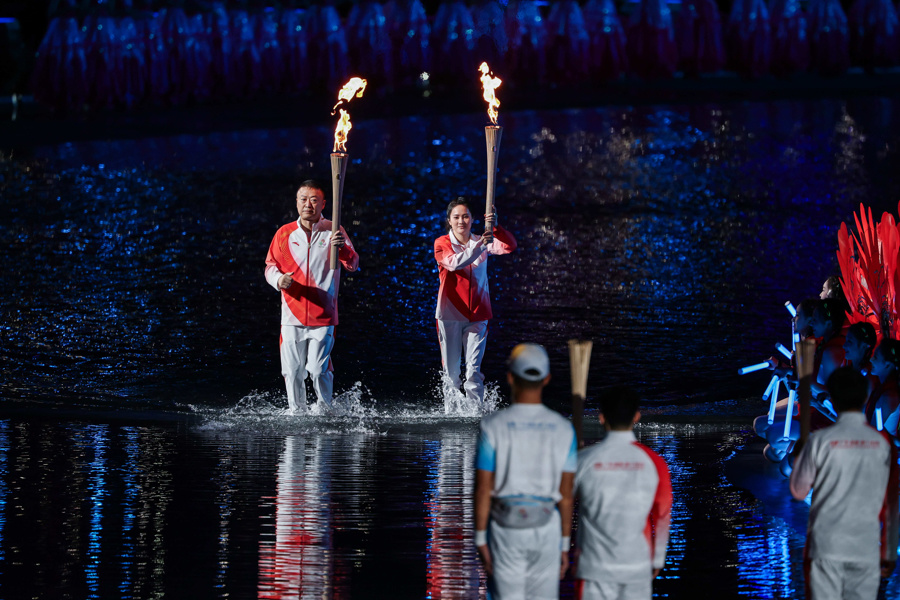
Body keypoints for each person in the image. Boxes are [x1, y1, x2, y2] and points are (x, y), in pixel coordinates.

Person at [474, 343, 576, 599]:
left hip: (505, 531)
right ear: (547, 379)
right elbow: (566, 495)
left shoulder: (492, 426)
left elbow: (484, 488)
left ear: (510, 377)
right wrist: (564, 545)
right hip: (546, 530)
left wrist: (480, 539)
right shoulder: (564, 429)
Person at [790, 366, 898, 600]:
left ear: (834, 400)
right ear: (864, 397)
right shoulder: (883, 443)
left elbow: (799, 491)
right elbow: (891, 505)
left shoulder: (820, 441)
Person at [264, 179, 359, 414]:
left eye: (314, 200)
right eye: (304, 199)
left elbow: (353, 264)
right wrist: (278, 280)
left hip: (323, 314)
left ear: (323, 203)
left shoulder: (334, 229)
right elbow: (269, 266)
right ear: (297, 202)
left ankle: (325, 413)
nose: (309, 204)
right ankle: (297, 414)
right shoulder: (284, 234)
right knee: (293, 370)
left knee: (318, 369)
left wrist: (344, 249)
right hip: (292, 314)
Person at [573, 385, 672, 600]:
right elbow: (662, 514)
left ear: (601, 418)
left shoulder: (583, 460)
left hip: (593, 570)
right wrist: (657, 559)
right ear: (636, 416)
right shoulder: (655, 463)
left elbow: (562, 502)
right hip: (636, 566)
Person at [434, 197, 517, 407]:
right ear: (449, 221)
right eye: (456, 217)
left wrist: (496, 227)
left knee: (473, 371)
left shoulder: (482, 241)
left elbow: (509, 246)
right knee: (452, 374)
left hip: (478, 314)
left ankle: (474, 416)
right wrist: (481, 246)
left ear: (472, 219)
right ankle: (451, 415)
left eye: (466, 216)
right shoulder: (442, 243)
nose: (461, 221)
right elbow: (454, 264)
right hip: (450, 315)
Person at [869, 339, 900, 435]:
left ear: (888, 365)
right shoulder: (882, 386)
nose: (871, 359)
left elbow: (872, 433)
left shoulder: (889, 396)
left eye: (876, 357)